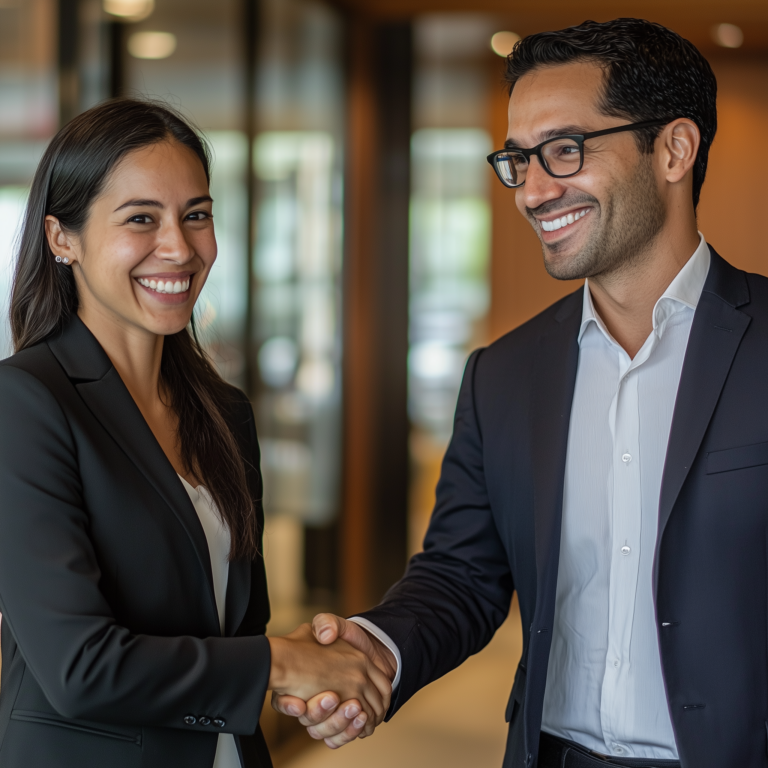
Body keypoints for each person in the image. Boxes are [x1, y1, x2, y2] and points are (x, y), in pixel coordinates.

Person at [274, 17, 768, 768]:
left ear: (674, 149)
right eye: (517, 160)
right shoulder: (502, 374)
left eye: (564, 151)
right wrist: (373, 651)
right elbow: (461, 576)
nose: (532, 190)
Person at [0, 98, 390, 768]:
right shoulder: (24, 403)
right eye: (141, 219)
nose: (179, 247)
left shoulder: (223, 412)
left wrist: (313, 675)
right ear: (62, 238)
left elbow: (236, 631)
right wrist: (277, 664)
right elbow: (79, 667)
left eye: (197, 215)